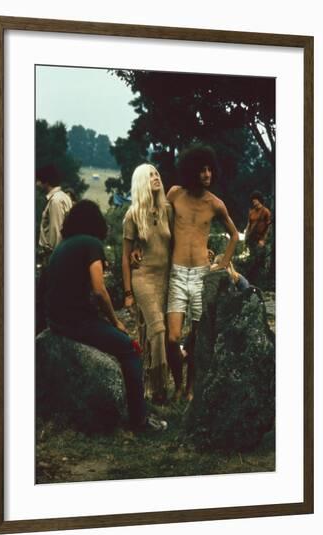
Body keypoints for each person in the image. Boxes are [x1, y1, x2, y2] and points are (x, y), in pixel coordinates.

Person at [46, 199, 167, 432]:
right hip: (77, 322)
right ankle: (139, 420)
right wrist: (116, 322)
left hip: (57, 321)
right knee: (130, 349)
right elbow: (100, 290)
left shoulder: (63, 245)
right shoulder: (91, 244)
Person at [166, 144, 239, 401]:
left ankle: (189, 389)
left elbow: (234, 236)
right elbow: (158, 225)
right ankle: (176, 383)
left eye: (210, 169)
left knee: (196, 340)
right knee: (173, 338)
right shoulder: (174, 194)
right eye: (202, 169)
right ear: (191, 170)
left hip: (200, 275)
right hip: (176, 273)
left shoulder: (216, 204)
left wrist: (221, 264)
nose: (207, 174)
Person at [122, 164, 173, 404]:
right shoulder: (132, 215)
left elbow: (178, 242)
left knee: (152, 334)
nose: (156, 177)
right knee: (158, 330)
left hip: (165, 278)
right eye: (150, 175)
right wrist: (128, 292)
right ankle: (159, 389)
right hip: (142, 278)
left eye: (157, 173)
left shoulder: (167, 210)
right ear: (141, 181)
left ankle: (147, 383)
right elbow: (125, 257)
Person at [37, 164, 73, 254]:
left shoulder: (55, 201)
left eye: (38, 181)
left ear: (46, 182)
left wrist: (54, 256)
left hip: (52, 253)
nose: (36, 184)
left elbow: (56, 230)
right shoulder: (64, 197)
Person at [244, 190, 272, 284]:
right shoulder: (251, 212)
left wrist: (263, 240)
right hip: (251, 239)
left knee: (259, 261)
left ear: (259, 200)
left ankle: (259, 281)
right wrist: (246, 235)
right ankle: (251, 281)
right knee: (251, 259)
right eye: (253, 200)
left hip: (260, 239)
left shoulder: (265, 211)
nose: (254, 202)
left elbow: (269, 227)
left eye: (255, 200)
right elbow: (249, 224)